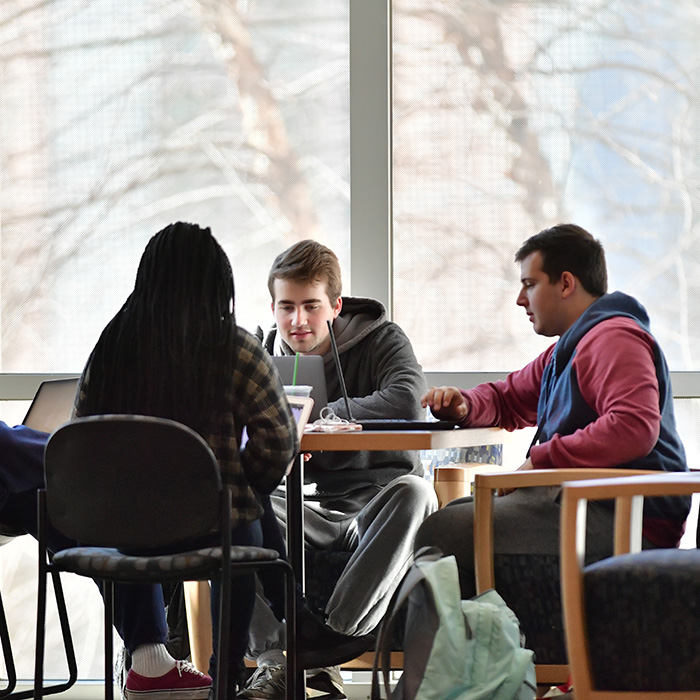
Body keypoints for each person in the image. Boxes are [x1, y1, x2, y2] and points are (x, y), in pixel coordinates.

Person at [72, 223, 299, 697]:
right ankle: (229, 668)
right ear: (217, 286)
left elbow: (82, 448)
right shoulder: (236, 347)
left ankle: (148, 661)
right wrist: (244, 483)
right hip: (215, 530)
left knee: (138, 520)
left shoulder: (108, 352)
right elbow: (278, 446)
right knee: (247, 520)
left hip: (122, 534)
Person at [415, 223, 690, 604]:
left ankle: (462, 660)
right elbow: (508, 398)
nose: (519, 299)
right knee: (457, 516)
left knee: (443, 531)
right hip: (584, 504)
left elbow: (633, 426)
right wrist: (464, 404)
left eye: (529, 284)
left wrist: (540, 461)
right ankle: (478, 656)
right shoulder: (568, 348)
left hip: (626, 518)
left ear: (565, 283)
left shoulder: (613, 338)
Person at [240, 239, 438, 700]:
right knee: (228, 506)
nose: (298, 321)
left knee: (417, 494)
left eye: (311, 306)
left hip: (378, 504)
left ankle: (334, 638)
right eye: (286, 307)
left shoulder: (382, 338)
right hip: (307, 506)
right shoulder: (263, 354)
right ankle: (277, 660)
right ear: (272, 306)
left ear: (336, 306)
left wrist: (318, 418)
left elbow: (407, 399)